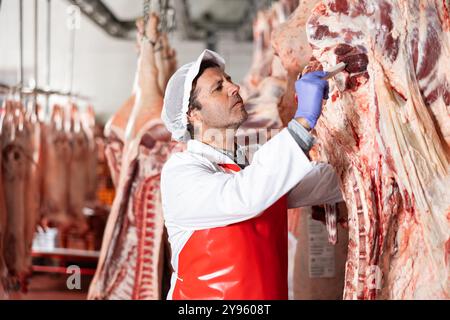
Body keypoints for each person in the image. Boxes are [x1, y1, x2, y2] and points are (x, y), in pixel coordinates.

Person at [160, 49, 343, 300]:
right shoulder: (181, 172)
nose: (234, 87)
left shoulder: (250, 166)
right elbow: (244, 195)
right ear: (193, 115)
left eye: (229, 79)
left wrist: (371, 160)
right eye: (218, 87)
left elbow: (323, 182)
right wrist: (301, 123)